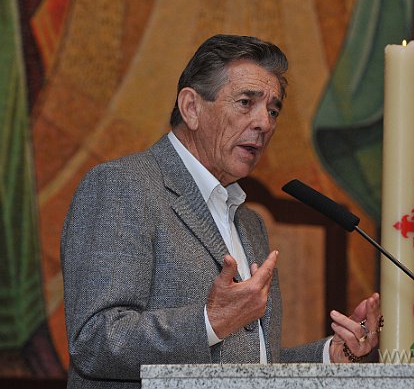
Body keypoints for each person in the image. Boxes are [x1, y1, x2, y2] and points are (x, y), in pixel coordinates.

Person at [61, 34, 382, 389]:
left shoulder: (249, 221)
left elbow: (247, 366)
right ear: (191, 108)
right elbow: (94, 342)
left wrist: (331, 355)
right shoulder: (123, 186)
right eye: (246, 102)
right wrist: (208, 322)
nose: (264, 123)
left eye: (273, 110)